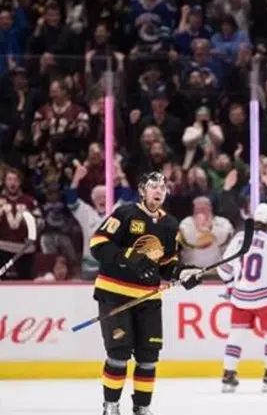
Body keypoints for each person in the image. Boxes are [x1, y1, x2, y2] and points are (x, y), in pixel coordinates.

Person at [91, 172, 204, 415]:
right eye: (153, 186)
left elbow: (166, 264)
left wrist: (183, 273)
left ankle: (142, 407)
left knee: (148, 356)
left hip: (148, 298)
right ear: (142, 190)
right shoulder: (125, 214)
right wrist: (130, 257)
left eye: (163, 187)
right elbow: (98, 244)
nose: (159, 190)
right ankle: (111, 406)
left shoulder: (169, 225)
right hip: (115, 295)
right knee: (119, 354)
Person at [217, 203, 267, 393]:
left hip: (240, 297)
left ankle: (228, 374)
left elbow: (224, 269)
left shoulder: (239, 238)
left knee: (236, 336)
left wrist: (231, 284)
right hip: (266, 298)